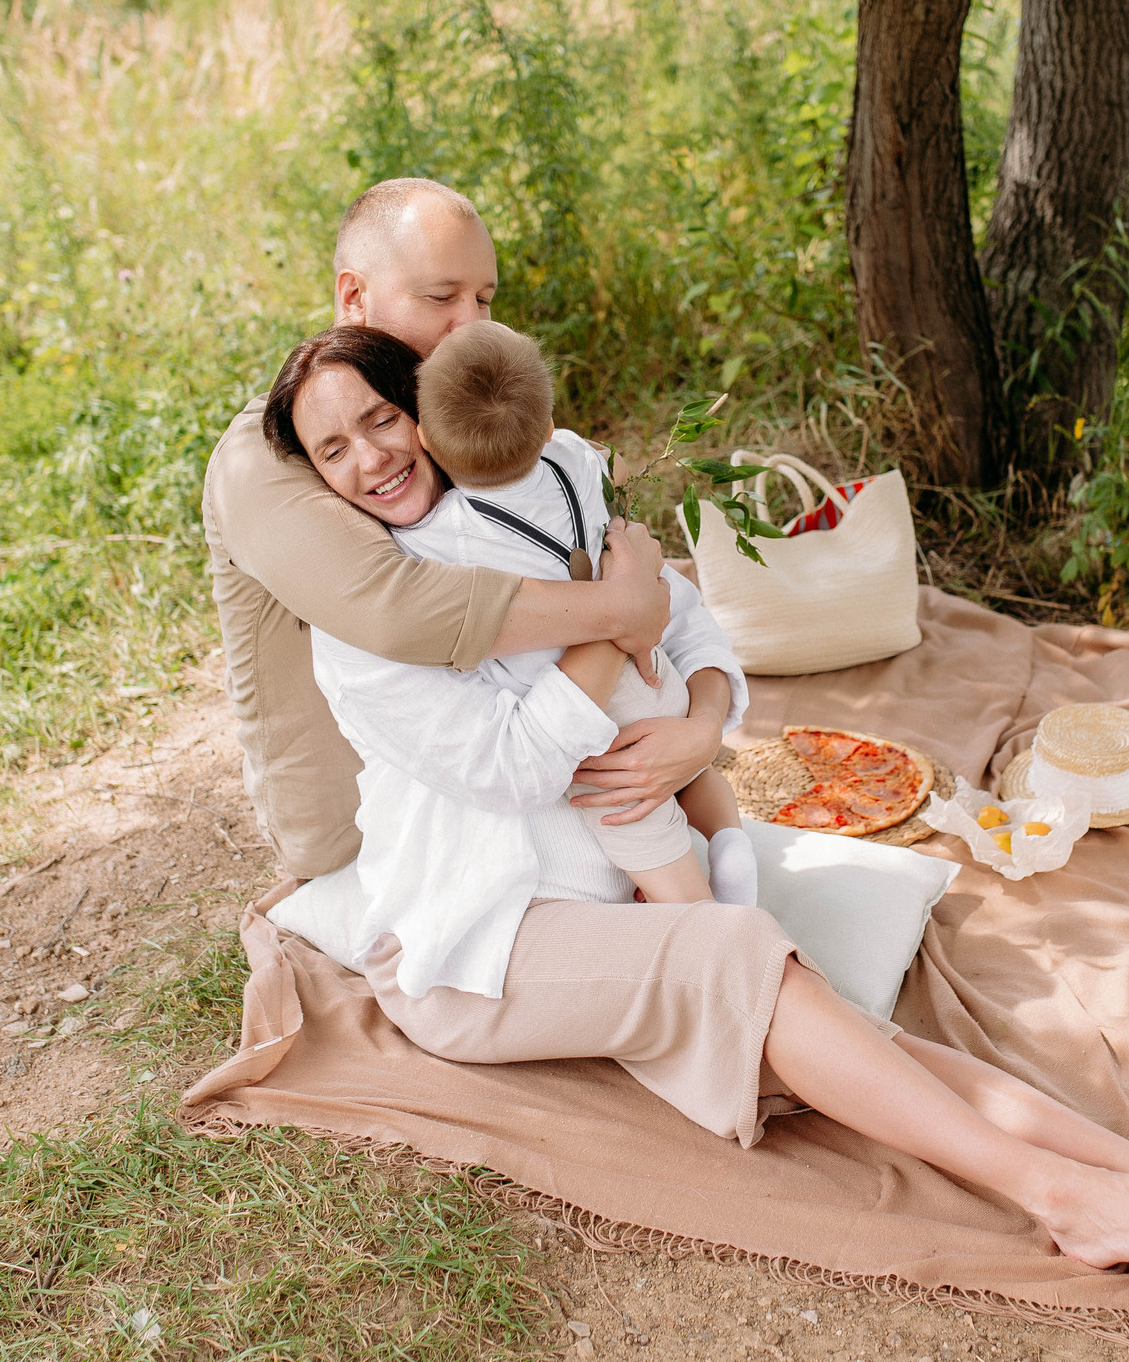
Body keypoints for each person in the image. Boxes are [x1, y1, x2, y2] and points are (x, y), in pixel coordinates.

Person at [259, 321, 1129, 1280]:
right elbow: (516, 768)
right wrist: (607, 618)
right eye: (333, 450)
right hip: (477, 949)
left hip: (615, 900)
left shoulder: (541, 499)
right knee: (741, 960)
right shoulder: (374, 621)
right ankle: (1059, 1196)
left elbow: (692, 630)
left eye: (382, 420)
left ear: (431, 414)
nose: (371, 460)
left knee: (843, 1030)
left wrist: (701, 724)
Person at [199, 177, 734, 880]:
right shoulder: (266, 458)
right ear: (354, 296)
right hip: (379, 844)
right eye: (441, 297)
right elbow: (402, 606)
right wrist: (623, 606)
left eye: (484, 299)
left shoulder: (433, 420)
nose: (472, 325)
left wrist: (699, 731)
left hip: (534, 776)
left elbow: (597, 537)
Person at [409, 319, 755, 908]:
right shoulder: (574, 459)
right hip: (656, 673)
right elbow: (600, 462)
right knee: (691, 771)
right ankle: (730, 839)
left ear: (425, 442)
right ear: (546, 427)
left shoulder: (443, 538)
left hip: (595, 721)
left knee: (638, 822)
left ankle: (699, 909)